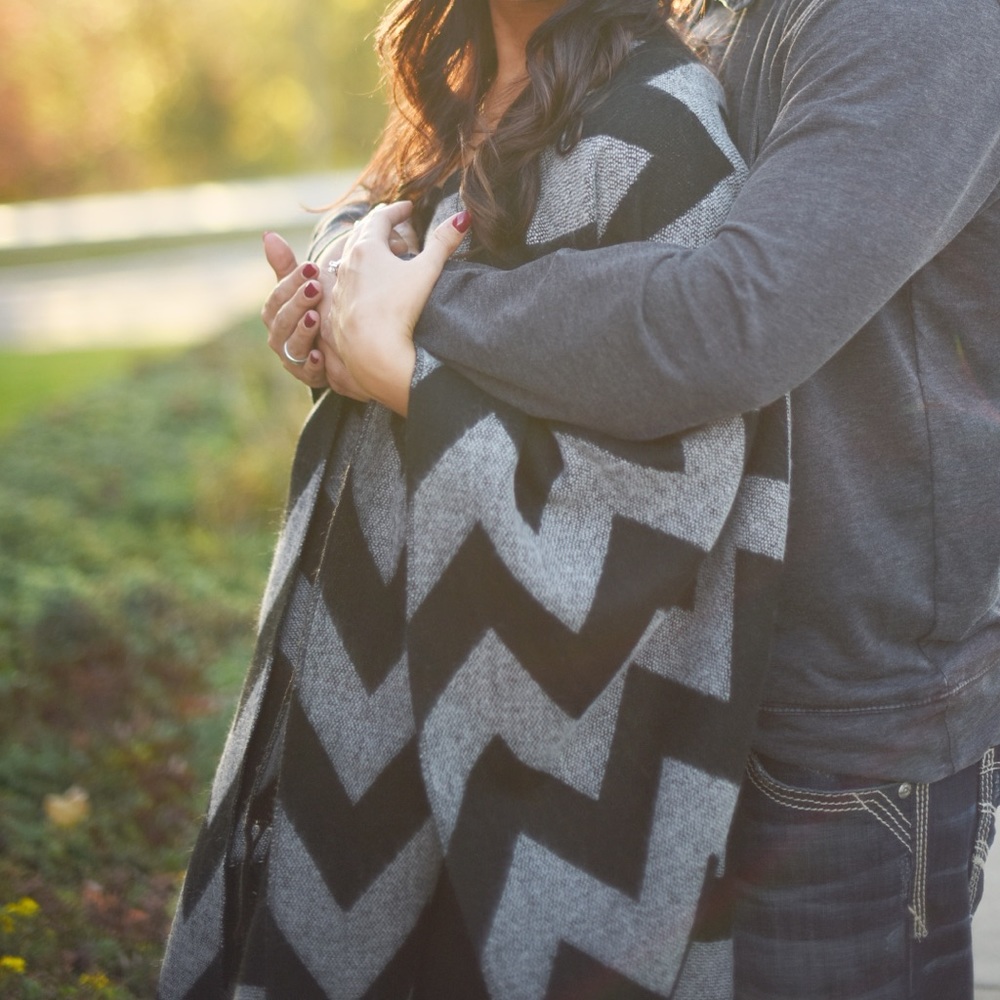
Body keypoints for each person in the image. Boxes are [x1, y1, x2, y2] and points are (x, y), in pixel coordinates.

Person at [264, 0, 1000, 997]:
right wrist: (344, 281)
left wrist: (416, 317)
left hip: (831, 740)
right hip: (663, 672)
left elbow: (726, 320)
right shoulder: (703, 8)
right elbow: (540, 222)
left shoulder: (923, 19)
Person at [159, 1, 792, 997]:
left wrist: (407, 376)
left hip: (534, 756)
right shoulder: (453, 87)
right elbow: (386, 264)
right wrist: (323, 308)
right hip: (361, 686)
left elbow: (685, 480)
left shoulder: (664, 126)